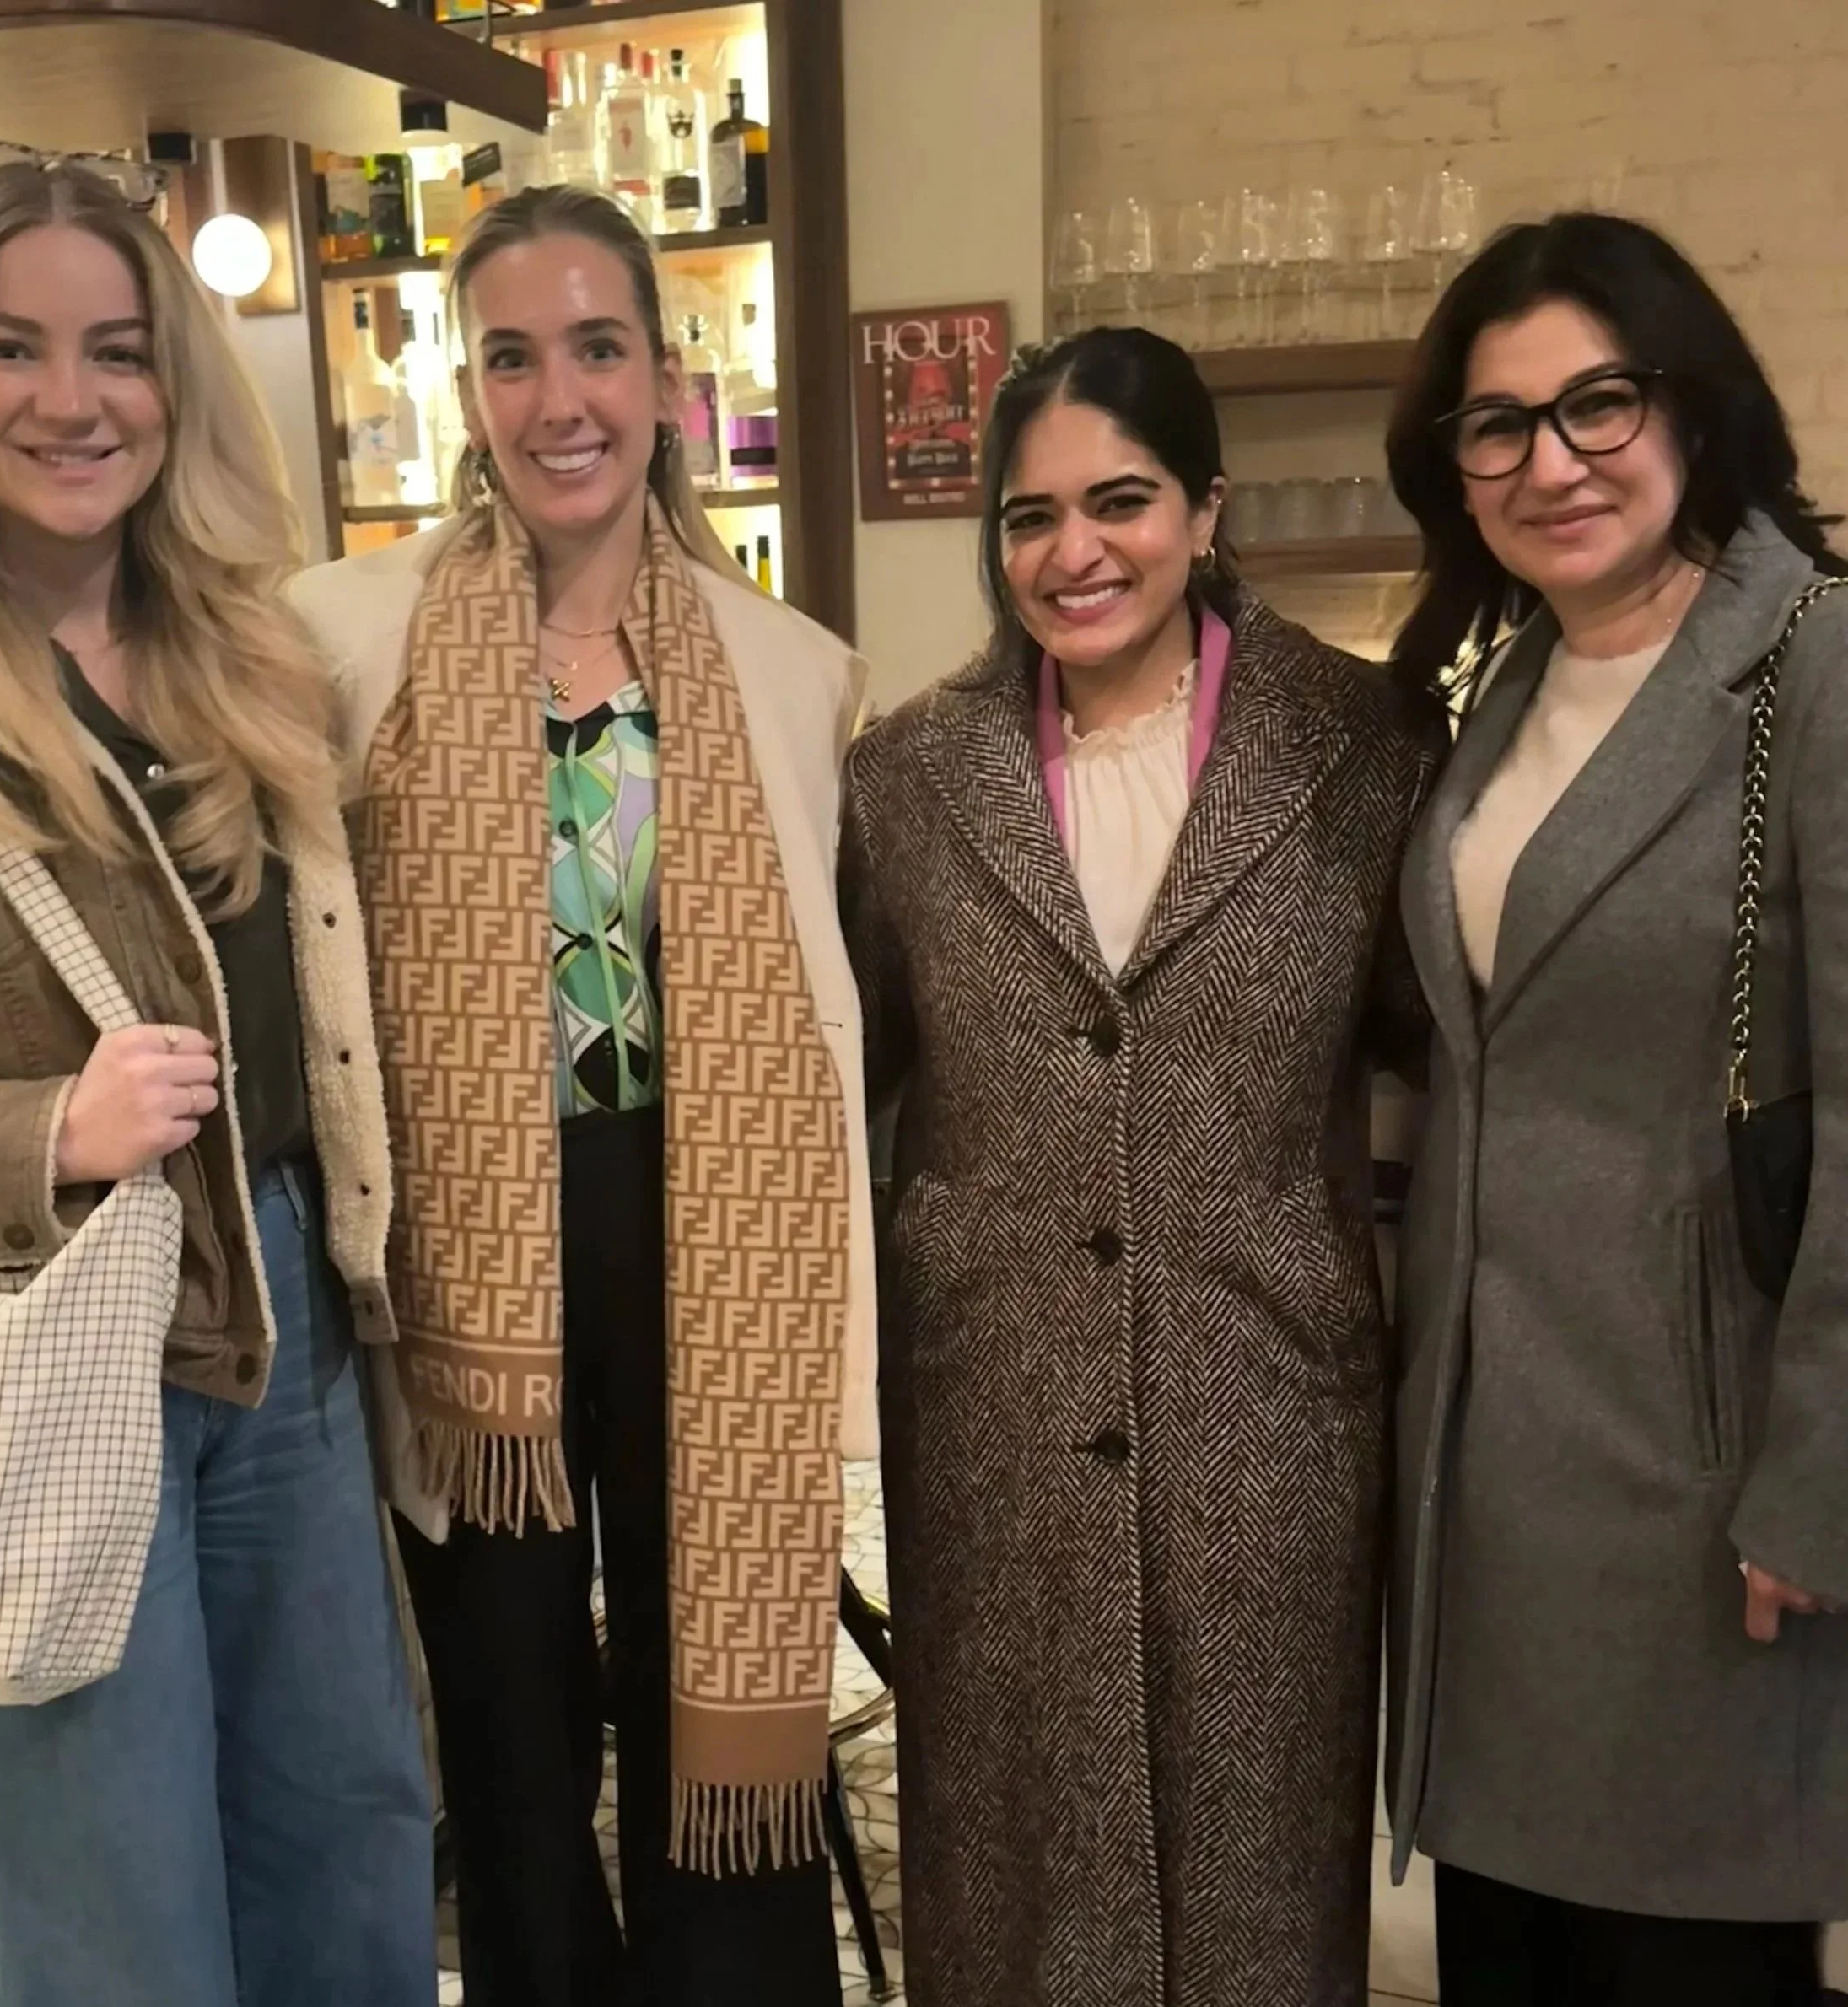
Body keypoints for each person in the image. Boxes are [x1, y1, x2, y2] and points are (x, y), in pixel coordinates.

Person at [0, 154, 435, 2007]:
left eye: (118, 350)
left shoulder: (257, 662)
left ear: (176, 386)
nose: (74, 398)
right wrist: (32, 1129)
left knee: (350, 1881)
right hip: (40, 1361)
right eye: (12, 348)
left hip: (284, 1333)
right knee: (113, 1936)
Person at [290, 184, 876, 2007]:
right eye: (514, 355)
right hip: (474, 1260)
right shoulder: (341, 640)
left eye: (598, 347)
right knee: (511, 1702)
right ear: (465, 389)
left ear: (666, 376)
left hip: (703, 1226)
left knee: (702, 1661)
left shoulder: (788, 671)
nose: (562, 398)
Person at [838, 324, 1444, 2007]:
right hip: (995, 1426)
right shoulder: (904, 775)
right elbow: (848, 1075)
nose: (1072, 551)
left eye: (1120, 501)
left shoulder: (1359, 746)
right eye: (1029, 517)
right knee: (1017, 1880)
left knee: (1258, 1884)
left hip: (1269, 1423)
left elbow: (1432, 1043)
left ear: (1204, 507)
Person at [1383, 211, 1848, 2007]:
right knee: (1507, 1955)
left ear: (1689, 406)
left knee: (1680, 1957)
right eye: (1494, 423)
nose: (1547, 460)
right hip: (1484, 1491)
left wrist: (1813, 1482)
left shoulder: (1807, 664)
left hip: (1698, 1484)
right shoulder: (1501, 685)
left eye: (1595, 402)